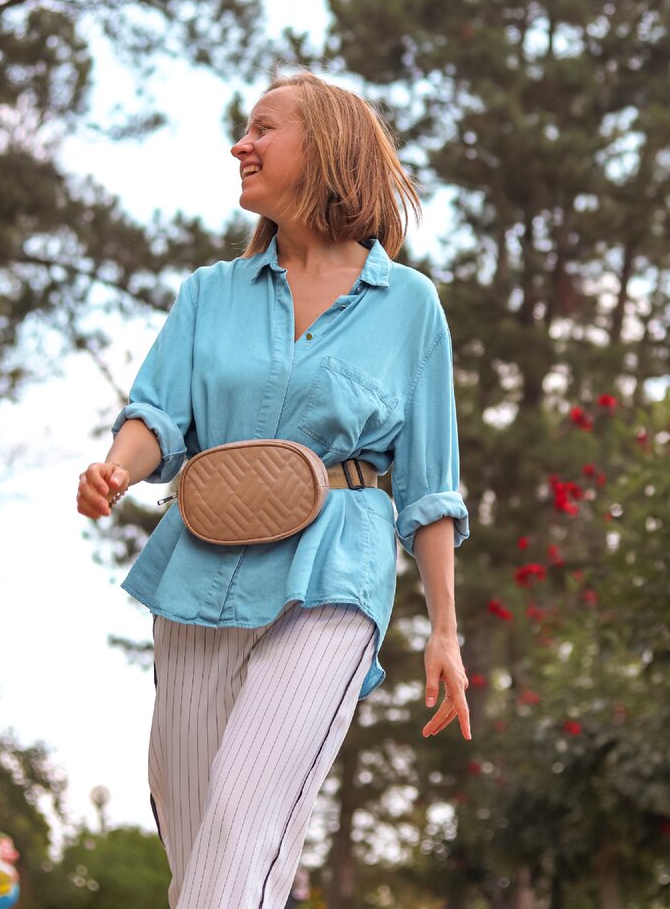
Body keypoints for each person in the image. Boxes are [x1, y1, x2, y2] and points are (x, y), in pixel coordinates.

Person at [76, 72, 471, 909]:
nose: (240, 144)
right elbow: (157, 415)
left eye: (262, 128)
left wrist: (445, 630)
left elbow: (430, 487)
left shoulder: (409, 306)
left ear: (325, 148)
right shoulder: (209, 293)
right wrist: (118, 466)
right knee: (196, 840)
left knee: (240, 822)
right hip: (197, 573)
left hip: (334, 576)